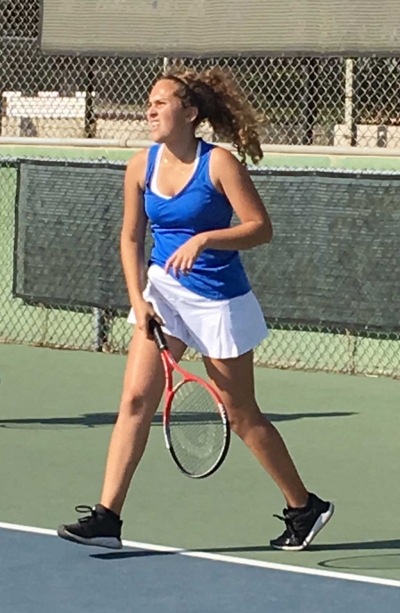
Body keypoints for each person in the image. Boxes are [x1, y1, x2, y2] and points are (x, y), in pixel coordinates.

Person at [57, 67, 334, 551]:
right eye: (149, 102)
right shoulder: (141, 166)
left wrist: (206, 238)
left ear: (189, 113)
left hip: (219, 301)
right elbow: (130, 237)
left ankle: (304, 506)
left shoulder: (220, 164)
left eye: (160, 102)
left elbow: (259, 227)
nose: (150, 110)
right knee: (135, 401)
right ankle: (108, 516)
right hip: (163, 292)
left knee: (241, 413)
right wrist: (137, 298)